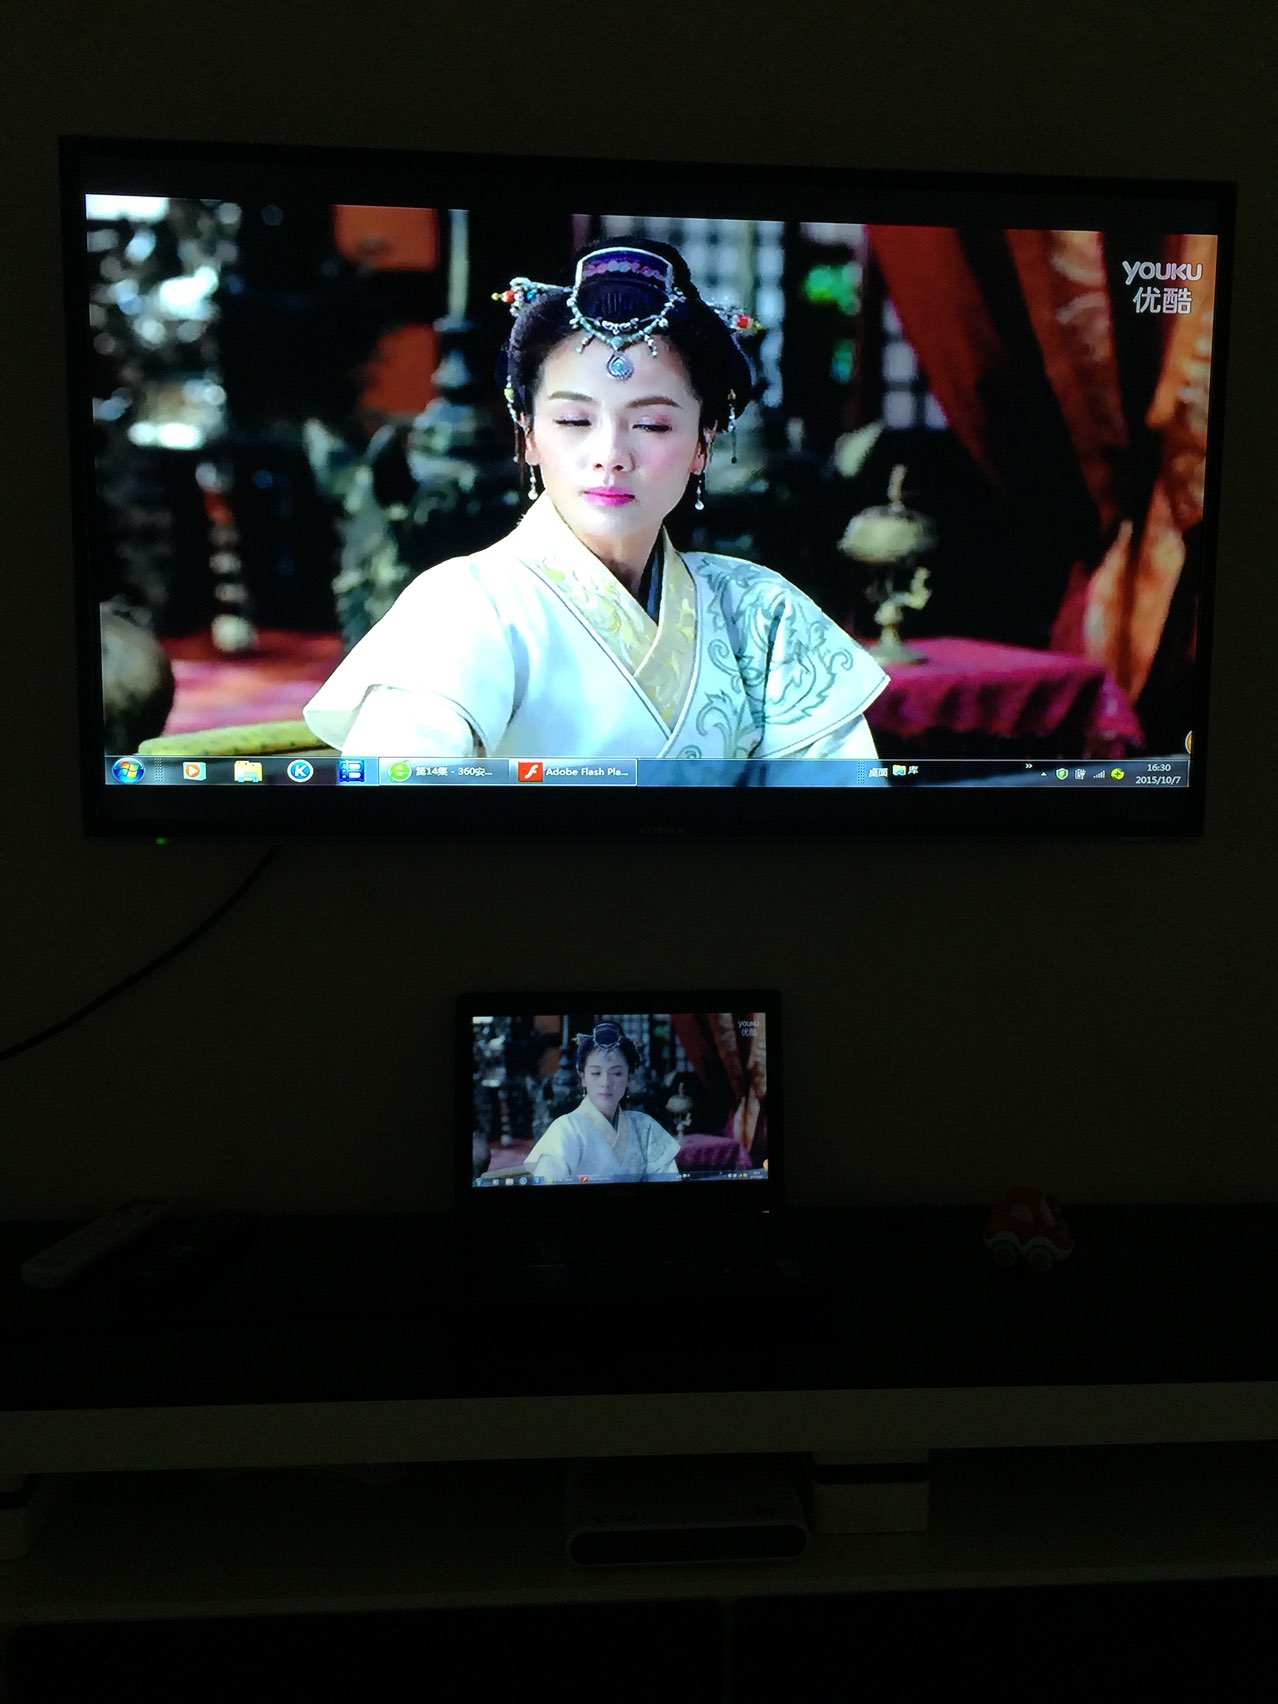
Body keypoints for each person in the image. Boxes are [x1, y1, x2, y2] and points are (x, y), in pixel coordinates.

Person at [303, 239, 888, 763]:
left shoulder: (763, 616)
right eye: (574, 420)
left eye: (652, 424)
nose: (610, 455)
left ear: (702, 444)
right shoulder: (465, 607)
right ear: (529, 435)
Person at [524, 1022, 681, 1184]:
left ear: (628, 1077)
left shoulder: (646, 1128)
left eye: (617, 1073)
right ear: (583, 1078)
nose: (606, 1082)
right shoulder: (566, 1129)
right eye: (596, 1073)